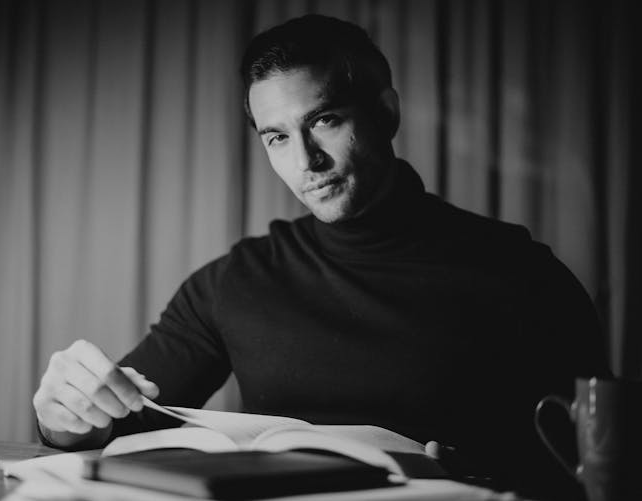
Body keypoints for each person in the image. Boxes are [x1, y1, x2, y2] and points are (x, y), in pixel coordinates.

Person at [33, 14, 607, 499]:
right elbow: (116, 424)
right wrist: (66, 417)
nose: (305, 161)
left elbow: (602, 466)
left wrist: (489, 472)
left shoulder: (521, 273)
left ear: (385, 112)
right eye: (276, 137)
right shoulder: (235, 280)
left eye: (324, 120)